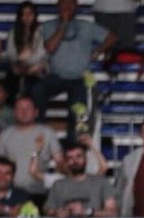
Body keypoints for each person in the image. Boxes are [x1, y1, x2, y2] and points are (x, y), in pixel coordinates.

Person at [32, 0, 117, 137]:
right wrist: (64, 24)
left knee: (78, 109)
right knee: (37, 90)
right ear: (58, 5)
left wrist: (98, 51)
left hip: (79, 77)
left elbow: (112, 37)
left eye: (71, 4)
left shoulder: (86, 25)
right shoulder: (48, 26)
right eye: (63, 3)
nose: (67, 7)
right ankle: (36, 133)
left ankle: (73, 144)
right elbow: (50, 48)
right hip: (55, 76)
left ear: (76, 6)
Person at [44, 140, 118, 218]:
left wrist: (87, 212)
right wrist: (57, 213)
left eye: (78, 156)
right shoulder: (58, 185)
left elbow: (112, 212)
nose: (75, 161)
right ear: (66, 161)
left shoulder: (101, 182)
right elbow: (48, 211)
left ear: (86, 158)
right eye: (70, 158)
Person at [0, 94, 63, 198]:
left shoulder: (47, 133)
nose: (24, 112)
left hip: (39, 192)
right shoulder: (5, 134)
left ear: (36, 112)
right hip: (11, 193)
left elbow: (60, 162)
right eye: (20, 108)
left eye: (28, 108)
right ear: (14, 113)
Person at [4, 1, 48, 102]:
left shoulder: (42, 32)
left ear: (35, 15)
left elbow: (41, 54)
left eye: (30, 14)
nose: (27, 17)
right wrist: (20, 59)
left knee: (33, 88)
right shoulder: (13, 32)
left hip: (36, 70)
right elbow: (10, 54)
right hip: (17, 69)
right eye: (24, 14)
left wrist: (28, 62)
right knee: (9, 86)